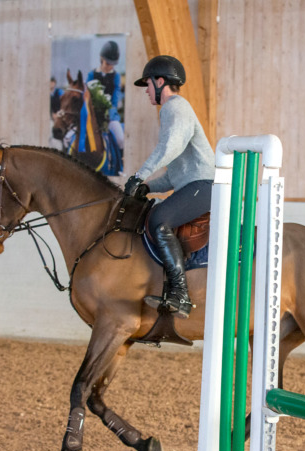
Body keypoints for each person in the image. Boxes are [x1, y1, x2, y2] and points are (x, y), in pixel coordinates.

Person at [124, 55, 215, 318]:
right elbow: (175, 175)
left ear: (160, 81)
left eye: (148, 85)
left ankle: (180, 294)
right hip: (194, 184)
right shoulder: (176, 111)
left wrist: (139, 176)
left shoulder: (174, 107)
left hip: (205, 185)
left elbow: (169, 149)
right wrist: (147, 187)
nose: (147, 92)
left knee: (158, 220)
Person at [87, 41, 124, 149]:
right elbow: (87, 94)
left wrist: (109, 112)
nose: (109, 67)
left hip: (109, 115)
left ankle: (120, 162)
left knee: (121, 139)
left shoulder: (116, 76)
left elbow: (115, 99)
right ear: (101, 59)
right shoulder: (92, 74)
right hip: (92, 113)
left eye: (112, 64)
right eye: (107, 63)